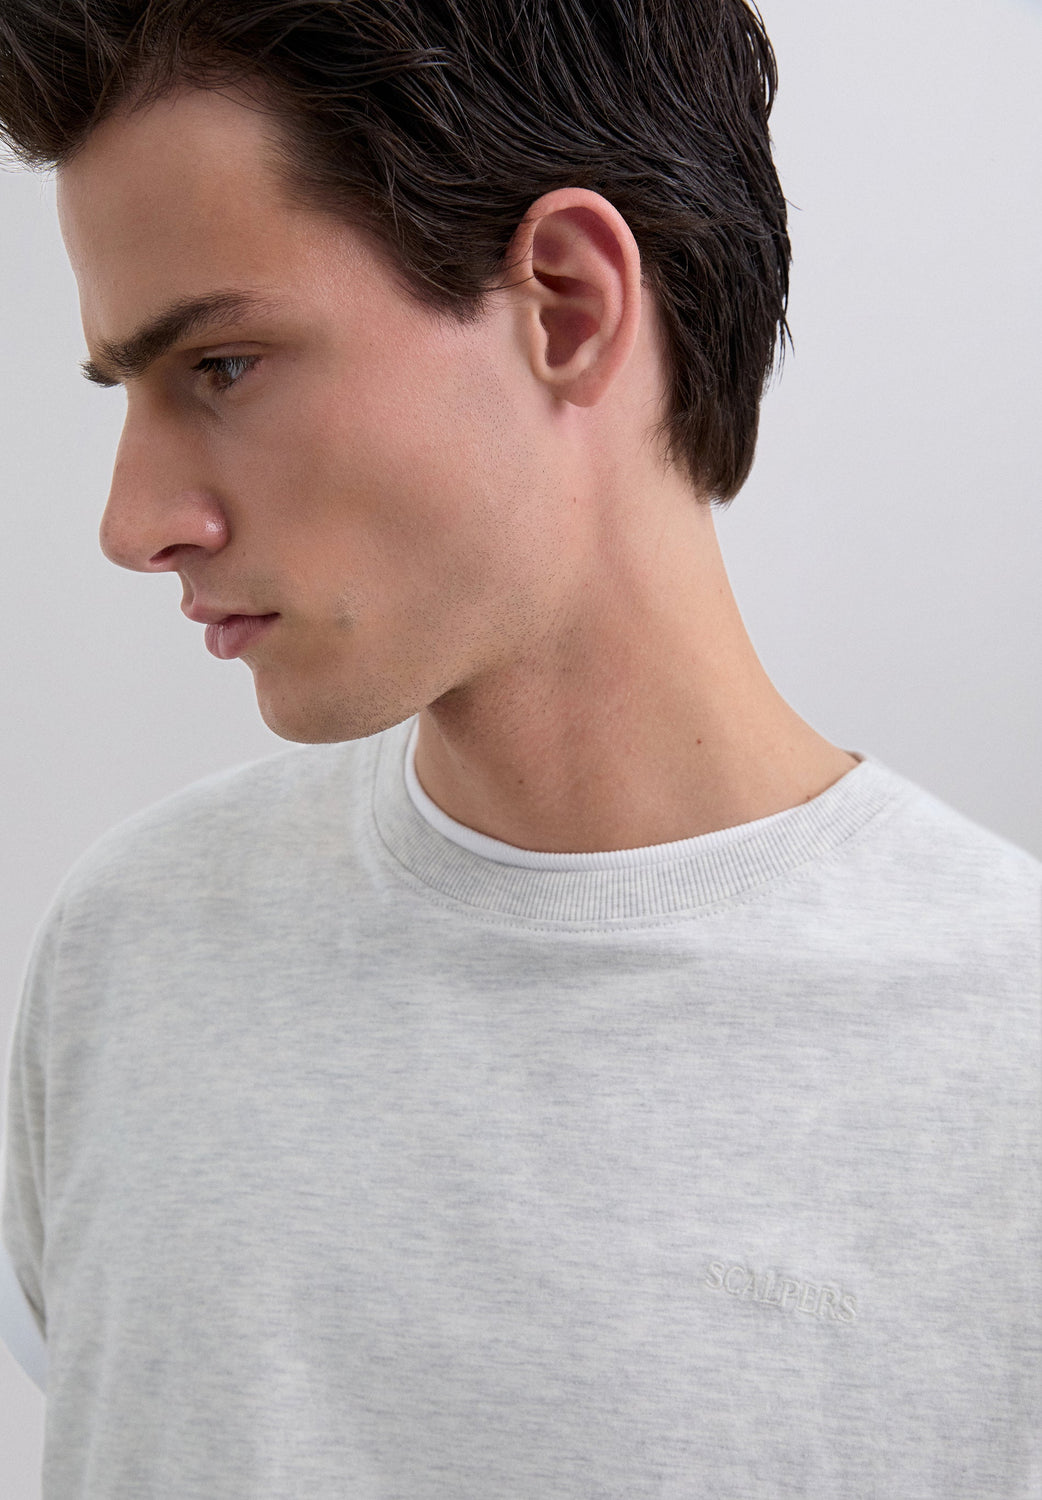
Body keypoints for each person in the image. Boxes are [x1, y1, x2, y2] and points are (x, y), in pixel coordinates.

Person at [0, 1, 1038, 1495]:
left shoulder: (1005, 1054)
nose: (132, 523)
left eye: (219, 366)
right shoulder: (128, 950)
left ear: (563, 303)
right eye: (128, 387)